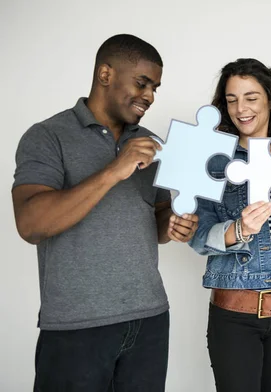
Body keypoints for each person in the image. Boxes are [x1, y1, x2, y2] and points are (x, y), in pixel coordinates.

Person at [11, 34, 198, 392]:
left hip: (149, 320)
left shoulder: (150, 142)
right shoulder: (47, 136)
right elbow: (31, 224)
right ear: (105, 74)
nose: (150, 96)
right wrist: (115, 170)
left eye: (155, 88)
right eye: (142, 83)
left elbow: (156, 220)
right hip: (75, 327)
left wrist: (173, 224)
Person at [188, 58, 271, 392]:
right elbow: (198, 236)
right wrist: (239, 230)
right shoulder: (213, 161)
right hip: (236, 315)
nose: (240, 108)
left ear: (269, 100)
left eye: (250, 97)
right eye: (232, 99)